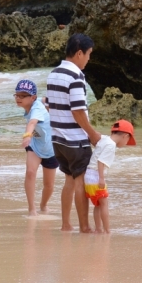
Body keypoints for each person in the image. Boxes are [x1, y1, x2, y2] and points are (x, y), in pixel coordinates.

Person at [47, 33, 99, 233]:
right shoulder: (76, 76)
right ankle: (84, 227)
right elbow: (77, 110)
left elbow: (51, 105)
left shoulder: (54, 73)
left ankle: (66, 224)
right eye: (88, 54)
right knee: (81, 181)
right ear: (79, 53)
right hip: (75, 140)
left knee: (69, 179)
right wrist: (92, 134)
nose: (88, 59)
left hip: (58, 139)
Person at [15, 79, 58, 217]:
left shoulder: (37, 109)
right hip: (34, 144)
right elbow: (45, 98)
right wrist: (29, 137)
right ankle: (31, 209)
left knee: (49, 184)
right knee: (30, 173)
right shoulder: (36, 101)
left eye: (23, 95)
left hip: (51, 148)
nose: (18, 98)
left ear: (32, 98)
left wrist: (27, 135)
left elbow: (33, 122)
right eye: (17, 95)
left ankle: (43, 205)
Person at [84, 120, 136, 234]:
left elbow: (93, 135)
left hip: (88, 176)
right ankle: (107, 230)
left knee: (97, 204)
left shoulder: (105, 139)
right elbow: (101, 162)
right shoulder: (111, 146)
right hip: (96, 176)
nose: (126, 143)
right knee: (104, 204)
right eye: (128, 140)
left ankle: (98, 229)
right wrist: (101, 178)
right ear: (125, 136)